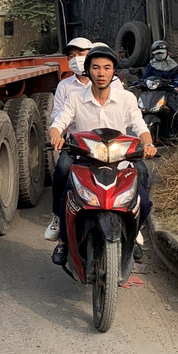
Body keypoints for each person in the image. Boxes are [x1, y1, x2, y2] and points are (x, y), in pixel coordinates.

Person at [47, 43, 156, 265]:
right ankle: (61, 233)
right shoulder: (75, 97)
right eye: (96, 67)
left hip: (120, 158)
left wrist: (148, 145)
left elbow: (140, 127)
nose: (101, 73)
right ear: (88, 70)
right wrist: (56, 135)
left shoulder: (126, 98)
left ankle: (135, 231)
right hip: (83, 157)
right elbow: (59, 122)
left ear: (114, 71)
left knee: (143, 193)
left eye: (107, 68)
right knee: (63, 175)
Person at [43, 37, 123, 241]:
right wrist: (58, 135)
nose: (76, 59)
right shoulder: (66, 87)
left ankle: (132, 221)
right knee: (62, 170)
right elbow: (58, 118)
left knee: (135, 175)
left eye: (81, 54)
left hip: (111, 145)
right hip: (77, 145)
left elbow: (126, 114)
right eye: (71, 55)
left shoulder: (116, 85)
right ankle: (57, 218)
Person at [140, 40, 178, 136]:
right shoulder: (151, 65)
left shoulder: (173, 65)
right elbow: (145, 77)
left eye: (161, 53)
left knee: (171, 107)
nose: (159, 55)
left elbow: (177, 77)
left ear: (167, 52)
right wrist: (140, 82)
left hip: (168, 91)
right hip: (154, 91)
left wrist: (176, 81)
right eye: (157, 53)